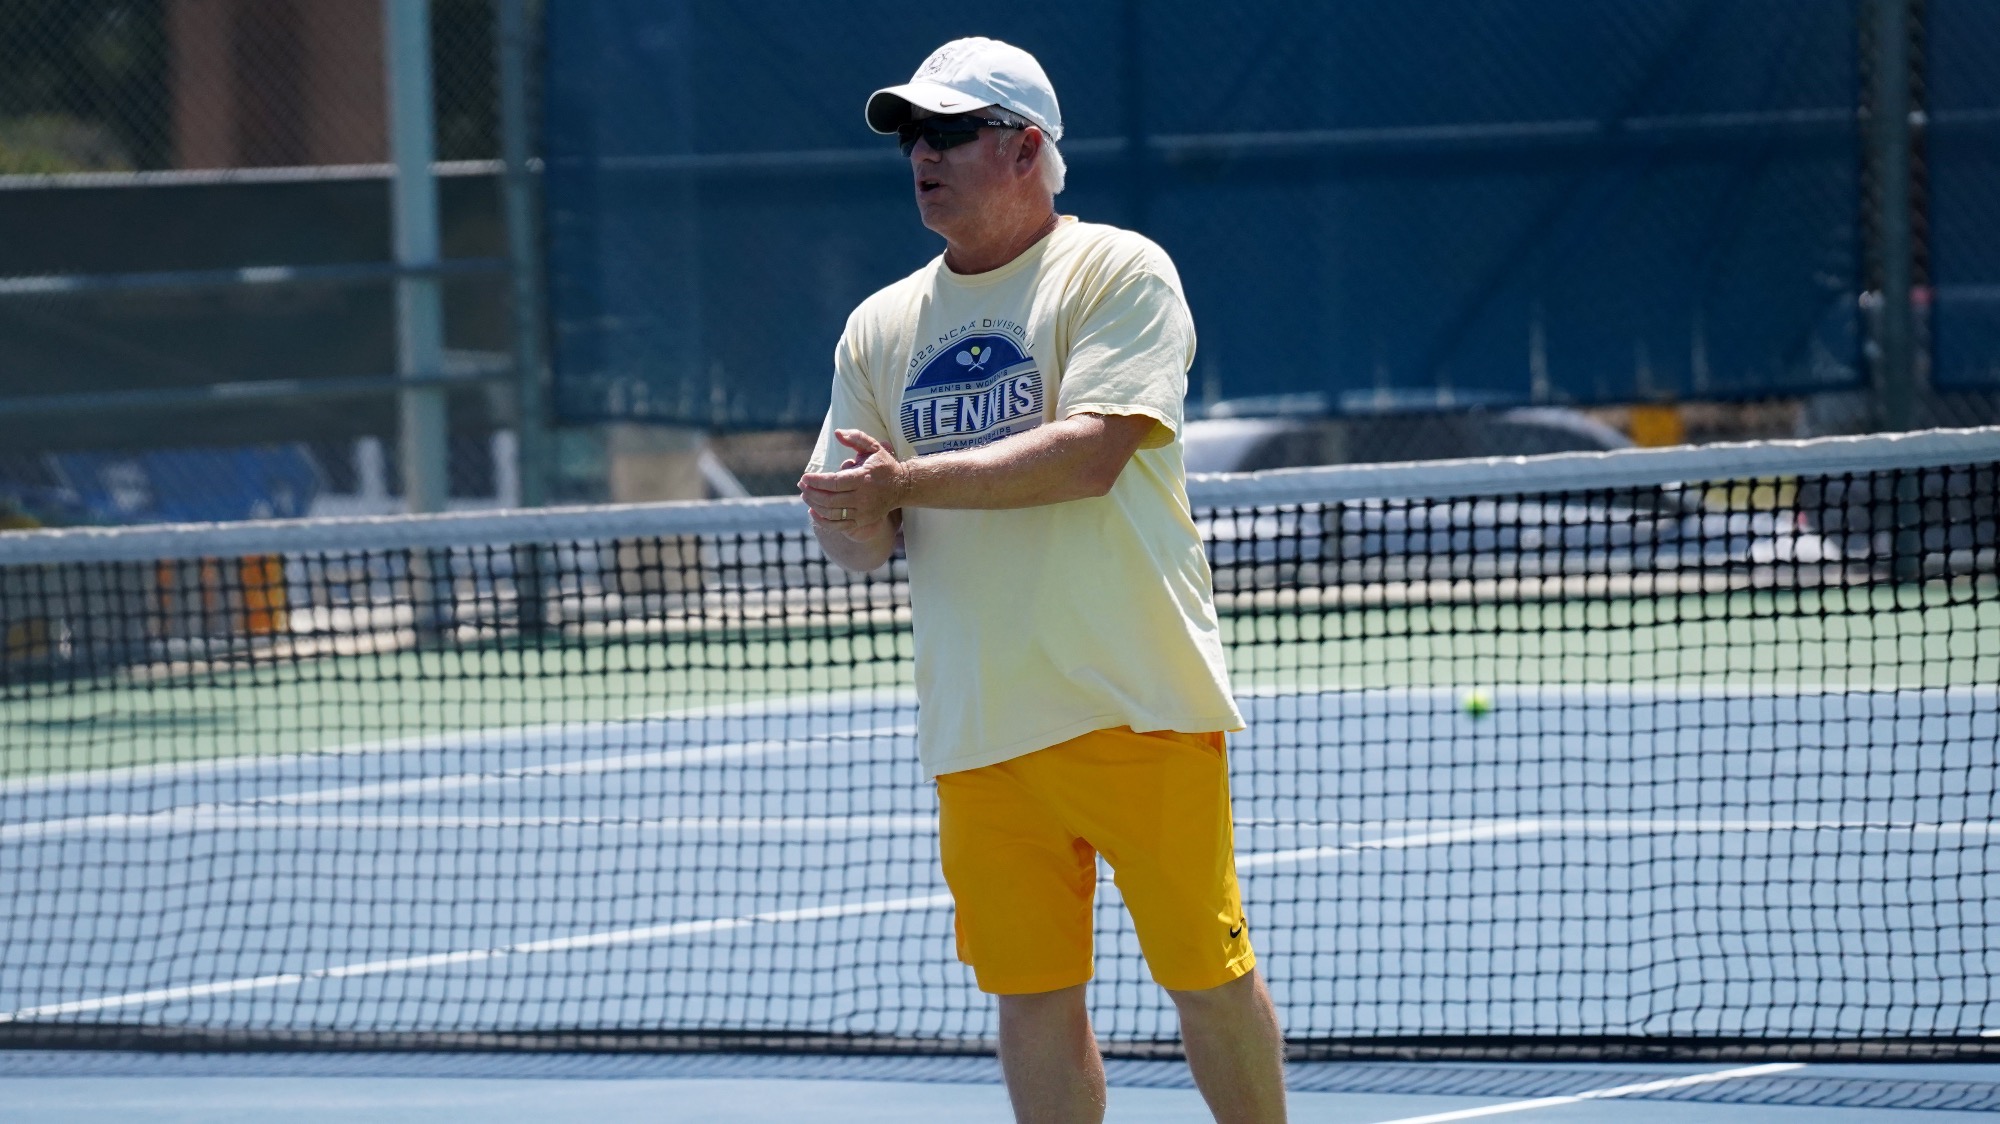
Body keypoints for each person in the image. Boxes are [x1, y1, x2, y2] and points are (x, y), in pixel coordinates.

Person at [797, 37, 1287, 1124]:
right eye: (909, 135)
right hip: (980, 728)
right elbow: (865, 542)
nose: (921, 154)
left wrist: (899, 482)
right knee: (1030, 998)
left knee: (1205, 978)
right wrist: (844, 512)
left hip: (1135, 703)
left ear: (1024, 148)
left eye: (947, 131)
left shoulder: (1116, 271)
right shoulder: (878, 326)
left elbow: (1089, 454)